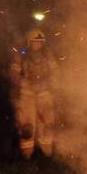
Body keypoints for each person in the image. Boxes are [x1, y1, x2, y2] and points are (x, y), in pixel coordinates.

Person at [8, 28, 59, 157]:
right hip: (27, 95)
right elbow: (14, 73)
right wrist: (24, 83)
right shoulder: (21, 55)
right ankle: (27, 155)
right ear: (29, 42)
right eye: (35, 42)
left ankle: (46, 154)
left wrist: (49, 83)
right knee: (26, 127)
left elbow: (55, 72)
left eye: (40, 42)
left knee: (47, 125)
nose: (38, 44)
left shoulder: (48, 55)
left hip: (44, 94)